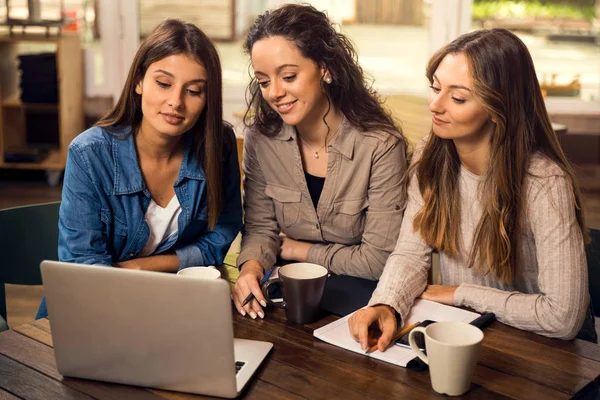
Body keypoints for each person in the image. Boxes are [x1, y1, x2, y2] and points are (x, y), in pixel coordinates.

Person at [349, 28, 596, 350]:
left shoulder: (545, 183)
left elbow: (562, 318)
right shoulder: (430, 155)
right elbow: (411, 252)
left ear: (498, 107)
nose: (435, 106)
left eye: (458, 97)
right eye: (435, 88)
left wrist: (460, 293)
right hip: (468, 332)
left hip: (547, 349)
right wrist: (385, 303)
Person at [36, 19, 242, 318]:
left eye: (194, 91)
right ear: (139, 81)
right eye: (163, 83)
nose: (176, 102)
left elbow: (220, 237)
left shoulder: (218, 144)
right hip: (91, 310)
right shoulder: (89, 154)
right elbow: (83, 265)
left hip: (173, 305)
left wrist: (141, 267)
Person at [232, 4, 407, 320]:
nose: (275, 93)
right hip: (285, 295)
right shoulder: (261, 138)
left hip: (362, 303)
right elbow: (260, 227)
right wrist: (251, 268)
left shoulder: (381, 146)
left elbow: (379, 260)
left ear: (325, 69)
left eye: (288, 76)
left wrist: (297, 250)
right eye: (263, 81)